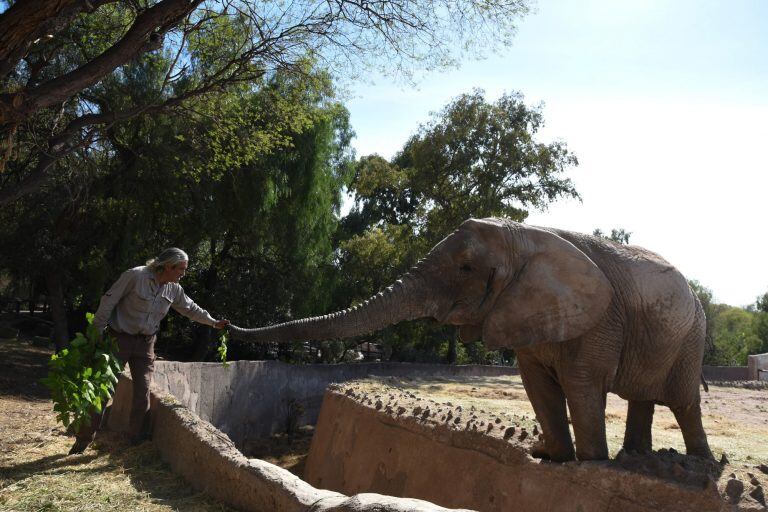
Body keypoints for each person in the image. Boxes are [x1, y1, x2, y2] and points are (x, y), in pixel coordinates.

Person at [69, 247, 229, 454]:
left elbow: (190, 308)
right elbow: (109, 301)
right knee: (102, 389)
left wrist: (214, 323)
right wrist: (96, 333)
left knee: (143, 391)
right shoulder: (135, 276)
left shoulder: (174, 288)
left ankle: (133, 443)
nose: (183, 273)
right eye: (181, 269)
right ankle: (83, 439)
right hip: (118, 340)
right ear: (168, 266)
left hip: (146, 344)